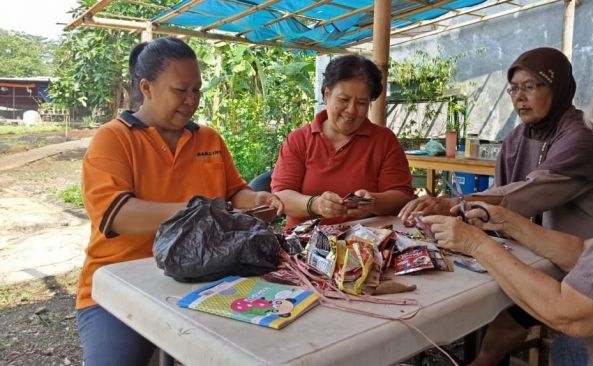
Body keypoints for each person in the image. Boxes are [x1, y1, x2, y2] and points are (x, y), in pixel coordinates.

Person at [399, 47, 593, 365]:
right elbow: (498, 196)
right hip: (533, 254)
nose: (519, 97)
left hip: (579, 264)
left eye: (530, 86)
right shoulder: (517, 138)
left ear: (557, 88)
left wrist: (454, 204)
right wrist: (466, 212)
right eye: (514, 88)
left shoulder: (582, 136)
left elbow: (528, 193)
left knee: (502, 316)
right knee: (475, 295)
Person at [75, 37, 282, 365]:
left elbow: (234, 193)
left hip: (208, 274)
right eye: (180, 90)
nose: (191, 101)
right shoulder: (113, 139)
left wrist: (255, 199)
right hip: (120, 284)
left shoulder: (209, 139)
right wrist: (204, 210)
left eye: (197, 90)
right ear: (147, 87)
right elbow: (118, 215)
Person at [271, 54, 414, 228]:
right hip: (305, 245)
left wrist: (373, 202)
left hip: (367, 244)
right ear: (326, 94)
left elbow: (402, 196)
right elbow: (280, 197)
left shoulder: (384, 141)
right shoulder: (299, 140)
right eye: (344, 100)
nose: (351, 110)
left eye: (362, 103)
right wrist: (316, 204)